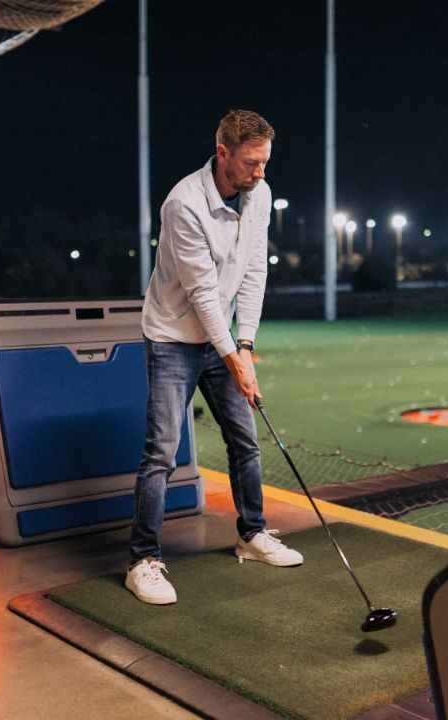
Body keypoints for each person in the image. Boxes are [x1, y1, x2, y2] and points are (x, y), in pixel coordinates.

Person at [126, 109, 302, 605]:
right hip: (171, 338)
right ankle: (142, 561)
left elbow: (252, 273)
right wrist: (232, 358)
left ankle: (251, 534)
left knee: (245, 442)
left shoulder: (259, 194)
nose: (260, 173)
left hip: (220, 337)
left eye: (265, 162)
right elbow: (203, 294)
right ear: (222, 152)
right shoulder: (183, 204)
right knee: (161, 449)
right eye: (250, 163)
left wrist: (244, 346)